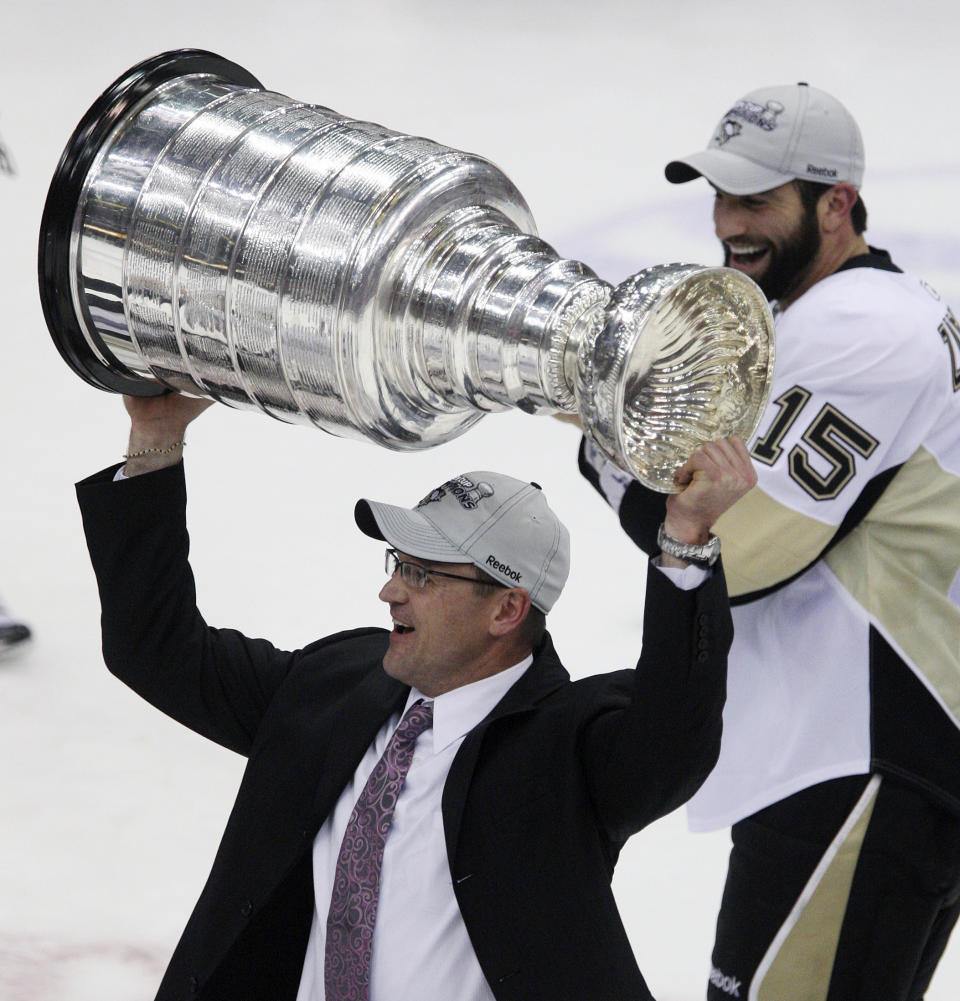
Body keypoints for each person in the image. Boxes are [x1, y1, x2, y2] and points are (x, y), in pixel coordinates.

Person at [75, 390, 755, 1001]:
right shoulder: (334, 682)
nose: (390, 590)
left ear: (507, 608)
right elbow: (156, 649)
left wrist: (685, 543)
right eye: (398, 563)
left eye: (425, 575)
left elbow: (675, 736)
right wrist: (156, 439)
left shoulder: (569, 747)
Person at [576, 83, 960, 1000]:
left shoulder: (865, 328)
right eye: (719, 195)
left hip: (862, 753)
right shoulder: (853, 315)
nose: (728, 223)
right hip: (865, 758)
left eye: (757, 200)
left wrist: (605, 445)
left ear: (836, 203)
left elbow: (738, 550)